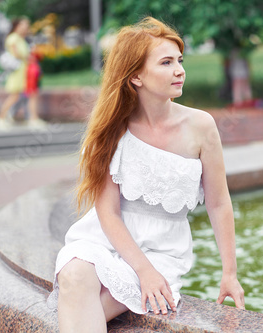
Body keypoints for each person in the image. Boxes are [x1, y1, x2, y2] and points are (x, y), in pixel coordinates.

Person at [46, 17, 245, 333]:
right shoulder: (109, 132)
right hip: (105, 238)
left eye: (179, 61)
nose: (180, 70)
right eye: (166, 62)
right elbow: (108, 212)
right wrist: (143, 271)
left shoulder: (202, 127)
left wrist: (229, 274)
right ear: (135, 76)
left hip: (164, 251)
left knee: (85, 309)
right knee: (74, 276)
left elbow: (219, 204)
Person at [0, 17, 46, 130]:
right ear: (17, 26)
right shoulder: (13, 38)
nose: (25, 28)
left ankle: (32, 118)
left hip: (25, 71)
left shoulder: (21, 39)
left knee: (30, 95)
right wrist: (29, 56)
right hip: (18, 72)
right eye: (23, 25)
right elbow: (17, 54)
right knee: (14, 96)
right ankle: (1, 118)